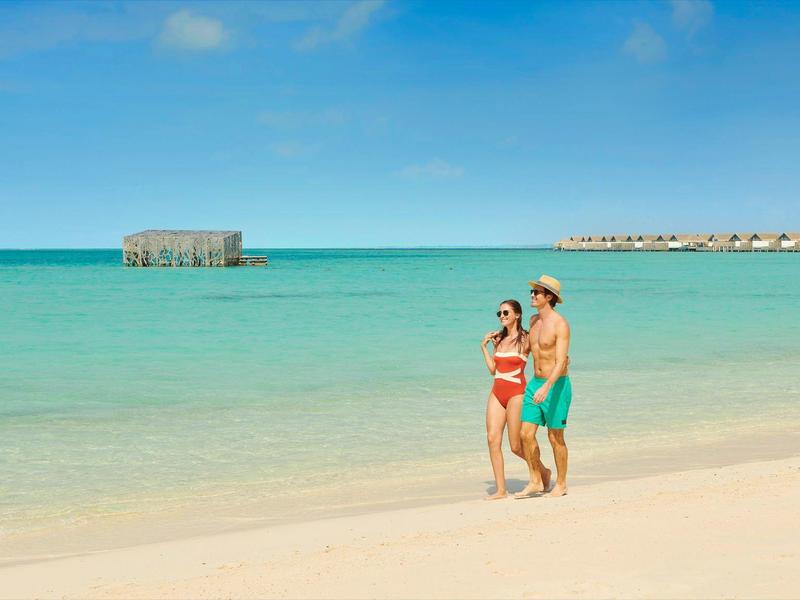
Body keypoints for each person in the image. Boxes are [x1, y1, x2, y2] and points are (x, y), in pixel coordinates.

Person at [517, 275, 572, 498]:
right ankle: (536, 480)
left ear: (549, 297)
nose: (532, 295)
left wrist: (547, 387)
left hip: (556, 386)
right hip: (535, 383)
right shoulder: (533, 321)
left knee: (555, 436)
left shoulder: (560, 324)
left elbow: (561, 361)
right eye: (532, 292)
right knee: (525, 434)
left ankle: (561, 483)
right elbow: (527, 350)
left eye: (536, 293)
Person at [480, 300, 528, 500]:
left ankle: (541, 471)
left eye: (506, 312)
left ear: (517, 314)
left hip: (517, 393)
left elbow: (543, 354)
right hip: (497, 392)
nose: (502, 316)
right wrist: (484, 348)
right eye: (499, 313)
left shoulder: (526, 339)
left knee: (516, 446)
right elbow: (494, 370)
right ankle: (501, 490)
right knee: (492, 439)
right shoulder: (499, 339)